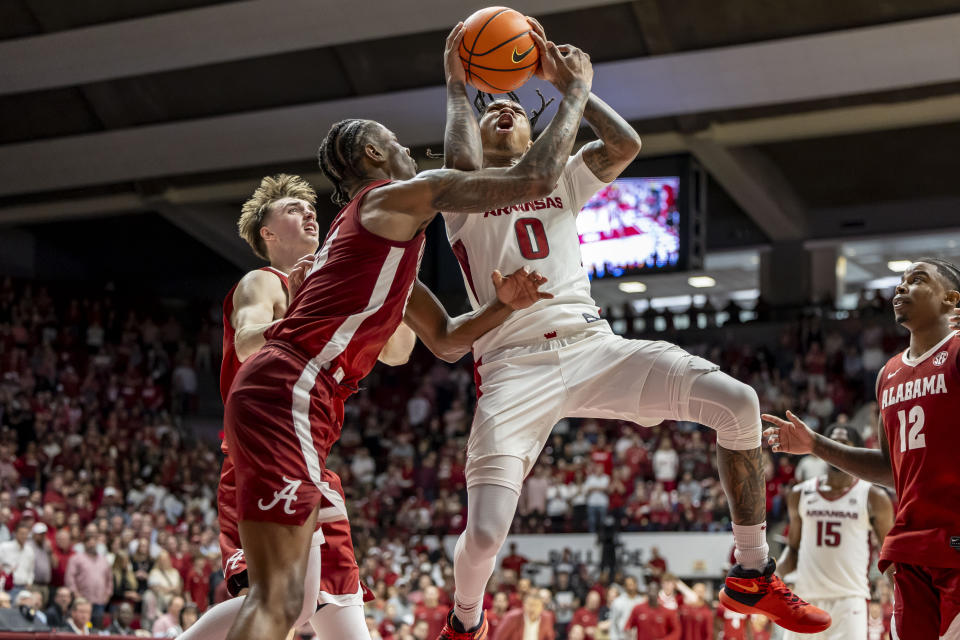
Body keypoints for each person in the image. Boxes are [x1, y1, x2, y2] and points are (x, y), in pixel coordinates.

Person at [437, 16, 828, 639]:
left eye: (515, 105)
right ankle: (464, 620)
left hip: (594, 346)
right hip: (512, 367)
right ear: (474, 131)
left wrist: (577, 89)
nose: (504, 110)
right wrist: (459, 87)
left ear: (534, 125)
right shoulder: (459, 190)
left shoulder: (561, 179)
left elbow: (624, 146)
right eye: (491, 110)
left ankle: (753, 570)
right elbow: (486, 157)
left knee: (739, 402)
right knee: (484, 533)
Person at [218, 21, 594, 640]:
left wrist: (501, 305)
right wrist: (572, 93)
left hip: (290, 396)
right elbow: (532, 180)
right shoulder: (389, 199)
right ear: (372, 157)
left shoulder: (375, 240)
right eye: (392, 142)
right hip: (291, 388)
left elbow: (445, 340)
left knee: (285, 600)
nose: (406, 151)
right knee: (281, 604)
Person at [764, 258, 960, 639]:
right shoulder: (888, 374)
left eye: (916, 280)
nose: (900, 288)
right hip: (911, 548)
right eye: (900, 282)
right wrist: (815, 445)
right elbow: (891, 467)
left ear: (951, 299)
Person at [776, 425, 894, 640]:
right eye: (832, 443)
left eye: (844, 444)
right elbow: (792, 550)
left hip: (849, 601)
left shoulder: (873, 496)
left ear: (855, 450)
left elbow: (890, 555)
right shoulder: (800, 492)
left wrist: (900, 596)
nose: (836, 449)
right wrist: (775, 576)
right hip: (804, 598)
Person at [64, 526, 111, 626]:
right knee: (81, 628)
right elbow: (70, 578)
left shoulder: (103, 560)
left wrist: (108, 594)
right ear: (84, 544)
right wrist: (75, 593)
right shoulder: (76, 558)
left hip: (99, 601)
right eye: (89, 541)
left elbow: (109, 579)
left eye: (94, 542)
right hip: (82, 601)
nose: (92, 544)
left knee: (96, 629)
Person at [0, 522, 34, 596]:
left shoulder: (30, 550)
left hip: (23, 588)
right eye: (22, 533)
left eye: (26, 534)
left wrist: (29, 582)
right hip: (7, 587)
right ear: (15, 533)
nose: (24, 536)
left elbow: (31, 570)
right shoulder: (4, 547)